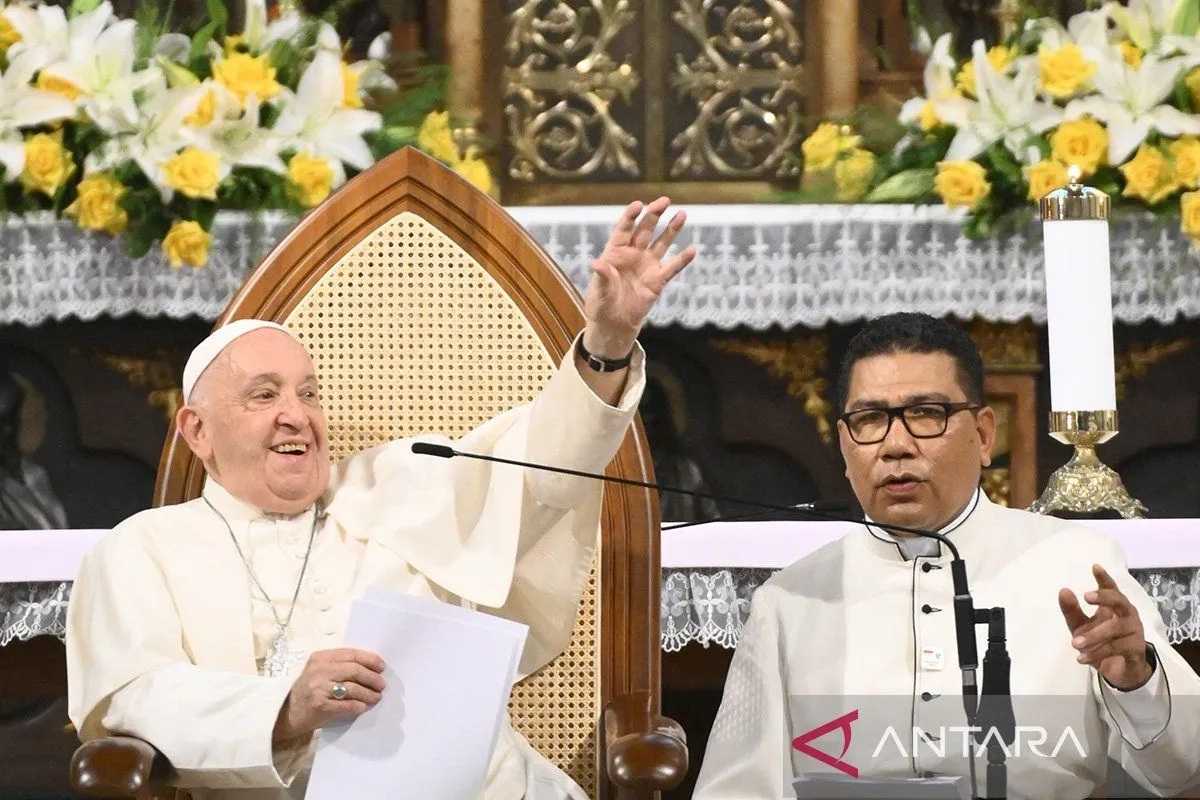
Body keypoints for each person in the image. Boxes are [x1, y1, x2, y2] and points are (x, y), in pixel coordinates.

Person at [66, 198, 696, 800]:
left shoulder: (404, 481)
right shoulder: (142, 549)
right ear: (197, 431)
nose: (296, 416)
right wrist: (287, 709)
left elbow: (545, 470)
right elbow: (135, 696)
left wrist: (606, 344)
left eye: (308, 394)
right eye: (264, 396)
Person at [693, 312, 1200, 799]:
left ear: (983, 435)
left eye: (925, 414)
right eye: (870, 419)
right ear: (845, 443)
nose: (896, 445)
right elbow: (736, 789)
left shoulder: (1076, 564)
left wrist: (1137, 680)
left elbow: (1181, 770)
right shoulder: (789, 600)